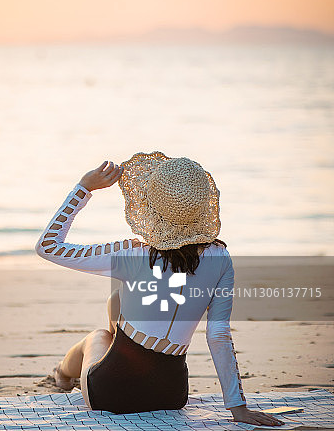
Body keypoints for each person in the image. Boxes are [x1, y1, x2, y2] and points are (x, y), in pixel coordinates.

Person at [35, 152, 283, 426]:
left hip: (108, 393)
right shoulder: (220, 259)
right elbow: (218, 336)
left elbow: (48, 247)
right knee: (116, 301)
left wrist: (84, 188)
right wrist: (238, 409)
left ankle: (62, 374)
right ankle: (84, 362)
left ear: (152, 207)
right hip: (171, 394)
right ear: (202, 207)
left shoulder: (133, 255)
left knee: (97, 335)